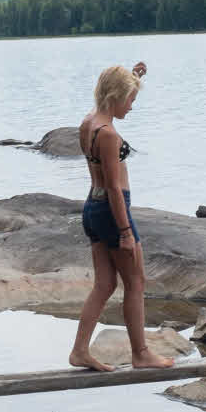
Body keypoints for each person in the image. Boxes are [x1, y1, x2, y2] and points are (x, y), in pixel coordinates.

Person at [70, 61, 173, 371]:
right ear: (115, 96)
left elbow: (110, 95)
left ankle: (79, 351)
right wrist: (126, 232)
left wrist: (133, 76)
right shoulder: (109, 135)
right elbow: (115, 188)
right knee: (136, 282)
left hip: (91, 207)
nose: (132, 107)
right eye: (130, 100)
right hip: (112, 210)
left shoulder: (89, 123)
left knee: (104, 285)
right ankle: (140, 353)